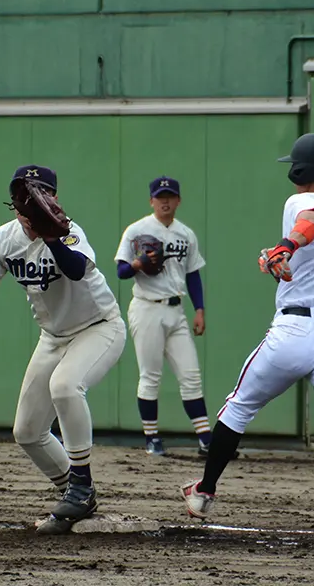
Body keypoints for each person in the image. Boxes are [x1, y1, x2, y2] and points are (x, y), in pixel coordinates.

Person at [179, 133, 314, 519]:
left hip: (296, 329)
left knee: (238, 408)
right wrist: (283, 258)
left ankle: (205, 491)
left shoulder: (303, 200)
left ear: (303, 171)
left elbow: (311, 220)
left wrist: (287, 246)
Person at [0, 164, 127, 535]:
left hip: (100, 328)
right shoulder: (3, 239)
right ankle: (78, 496)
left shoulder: (69, 232)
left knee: (65, 386)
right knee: (28, 432)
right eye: (22, 197)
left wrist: (52, 239)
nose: (27, 205)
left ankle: (79, 486)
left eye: (38, 195)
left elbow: (76, 270)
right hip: (53, 337)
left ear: (53, 198)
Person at [114, 176, 211, 457]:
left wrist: (200, 310)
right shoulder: (137, 230)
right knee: (151, 376)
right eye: (160, 196)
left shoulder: (186, 234)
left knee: (191, 374)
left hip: (176, 309)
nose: (165, 201)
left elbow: (193, 275)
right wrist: (138, 263)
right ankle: (152, 438)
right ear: (151, 201)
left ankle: (206, 439)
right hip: (147, 308)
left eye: (170, 196)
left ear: (178, 200)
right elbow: (121, 272)